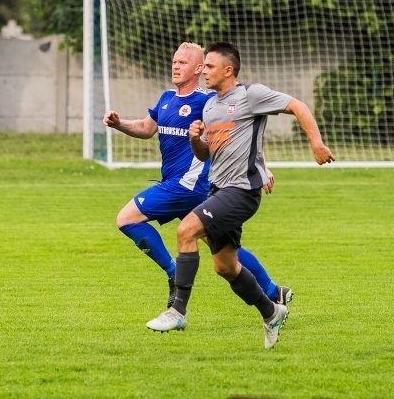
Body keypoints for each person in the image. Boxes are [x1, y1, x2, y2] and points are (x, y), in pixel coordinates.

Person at [146, 41, 334, 348]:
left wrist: (316, 143)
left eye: (209, 66)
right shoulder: (209, 106)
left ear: (228, 70)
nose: (204, 71)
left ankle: (177, 310)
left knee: (186, 230)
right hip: (218, 189)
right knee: (225, 266)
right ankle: (271, 310)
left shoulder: (251, 95)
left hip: (243, 190)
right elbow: (206, 154)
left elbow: (297, 106)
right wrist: (196, 139)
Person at [103, 42, 291, 313]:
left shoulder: (206, 101)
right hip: (193, 189)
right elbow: (146, 128)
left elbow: (240, 133)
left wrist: (263, 166)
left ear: (198, 68)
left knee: (126, 219)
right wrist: (119, 124)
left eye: (182, 62)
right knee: (224, 251)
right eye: (174, 61)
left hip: (184, 186)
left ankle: (173, 271)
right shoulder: (166, 98)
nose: (175, 66)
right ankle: (274, 291)